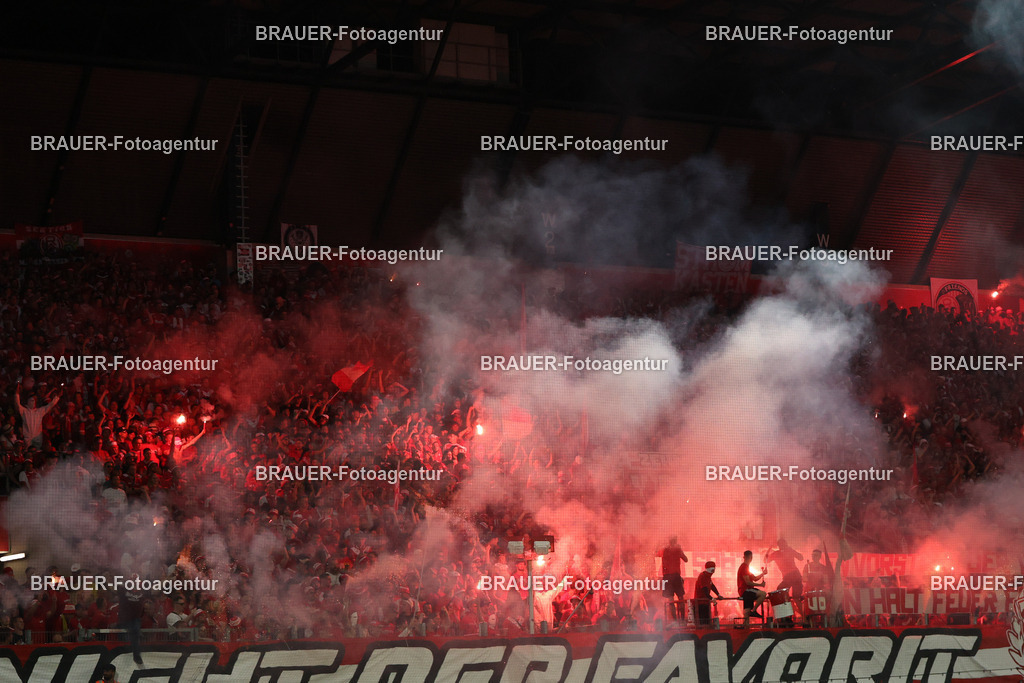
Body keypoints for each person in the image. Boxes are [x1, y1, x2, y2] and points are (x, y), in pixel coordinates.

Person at [766, 539, 804, 623]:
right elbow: (801, 558)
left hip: (790, 577)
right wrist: (793, 552)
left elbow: (765, 560)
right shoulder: (785, 551)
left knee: (781, 591)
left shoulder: (777, 553)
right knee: (795, 597)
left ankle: (790, 611)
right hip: (795, 576)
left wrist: (769, 548)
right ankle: (804, 617)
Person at [659, 537, 688, 621]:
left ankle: (675, 620)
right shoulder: (677, 549)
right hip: (675, 576)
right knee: (680, 598)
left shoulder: (665, 550)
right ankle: (682, 619)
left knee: (670, 599)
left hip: (667, 577)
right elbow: (686, 559)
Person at [737, 550, 766, 628]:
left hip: (745, 591)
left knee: (747, 609)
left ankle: (745, 626)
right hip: (746, 590)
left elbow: (755, 578)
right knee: (763, 594)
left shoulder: (746, 567)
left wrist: (763, 573)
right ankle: (753, 610)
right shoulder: (744, 567)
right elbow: (748, 582)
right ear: (751, 558)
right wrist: (760, 585)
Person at [693, 561, 722, 627]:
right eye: (712, 570)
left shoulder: (708, 577)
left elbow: (712, 586)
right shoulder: (702, 576)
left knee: (707, 622)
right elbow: (705, 590)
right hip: (700, 604)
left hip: (705, 603)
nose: (713, 572)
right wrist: (712, 598)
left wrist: (718, 594)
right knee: (702, 623)